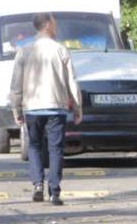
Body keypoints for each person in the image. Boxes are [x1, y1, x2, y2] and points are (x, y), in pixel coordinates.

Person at [8, 13, 82, 206]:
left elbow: (16, 84)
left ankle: (37, 185)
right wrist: (77, 107)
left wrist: (16, 109)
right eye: (55, 22)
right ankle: (54, 192)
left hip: (32, 107)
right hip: (56, 107)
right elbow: (71, 82)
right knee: (56, 149)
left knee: (34, 146)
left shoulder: (24, 51)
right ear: (48, 25)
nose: (56, 26)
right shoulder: (60, 50)